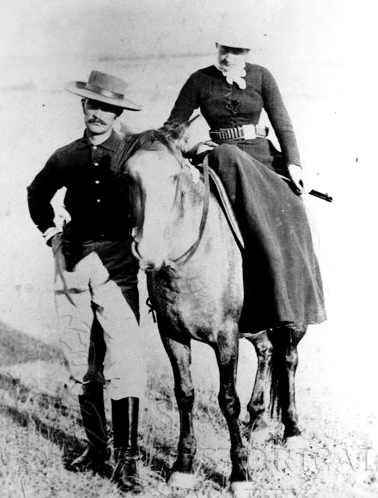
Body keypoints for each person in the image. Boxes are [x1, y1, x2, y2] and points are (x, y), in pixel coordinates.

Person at [27, 70, 146, 491]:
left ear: (118, 113)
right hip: (73, 261)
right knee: (81, 358)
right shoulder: (67, 155)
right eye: (92, 106)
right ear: (83, 106)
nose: (98, 115)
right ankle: (97, 448)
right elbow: (37, 193)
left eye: (107, 108)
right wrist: (52, 235)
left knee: (125, 355)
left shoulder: (133, 154)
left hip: (117, 262)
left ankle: (127, 461)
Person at [165, 34, 326, 333]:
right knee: (226, 155)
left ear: (247, 51)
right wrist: (190, 149)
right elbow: (174, 127)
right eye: (225, 50)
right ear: (217, 48)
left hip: (263, 158)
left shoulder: (262, 76)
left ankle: (288, 303)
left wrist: (294, 164)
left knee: (293, 211)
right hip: (220, 162)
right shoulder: (198, 80)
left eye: (236, 51)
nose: (228, 57)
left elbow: (283, 123)